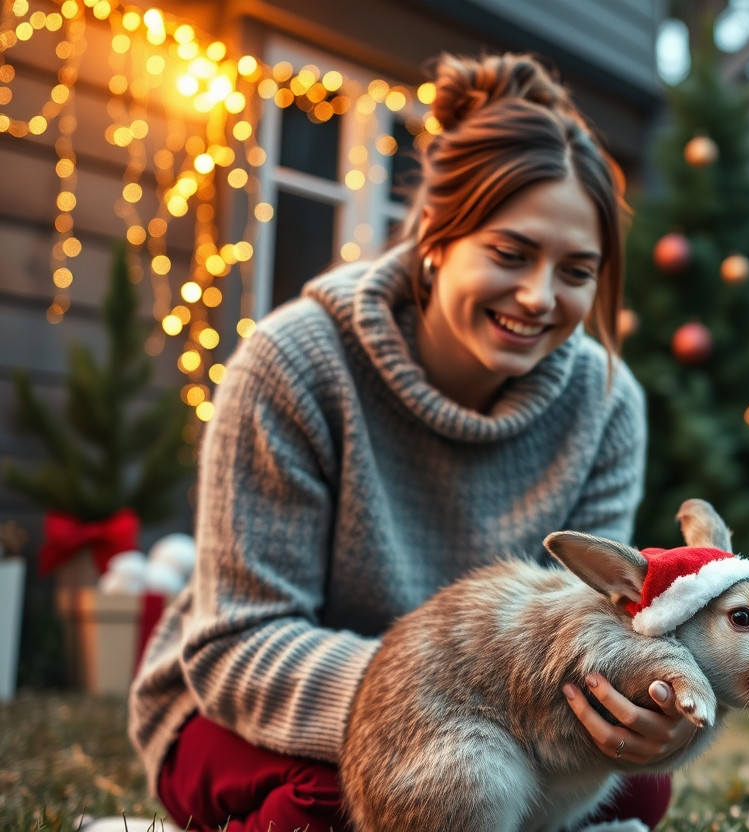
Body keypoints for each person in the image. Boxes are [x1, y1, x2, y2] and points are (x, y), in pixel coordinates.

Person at [128, 53, 687, 830]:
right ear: (435, 235)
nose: (539, 297)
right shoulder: (296, 363)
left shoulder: (605, 403)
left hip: (496, 719)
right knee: (340, 806)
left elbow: (595, 625)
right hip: (257, 712)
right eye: (511, 253)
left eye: (576, 271)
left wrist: (633, 709)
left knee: (638, 786)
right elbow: (236, 646)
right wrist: (430, 701)